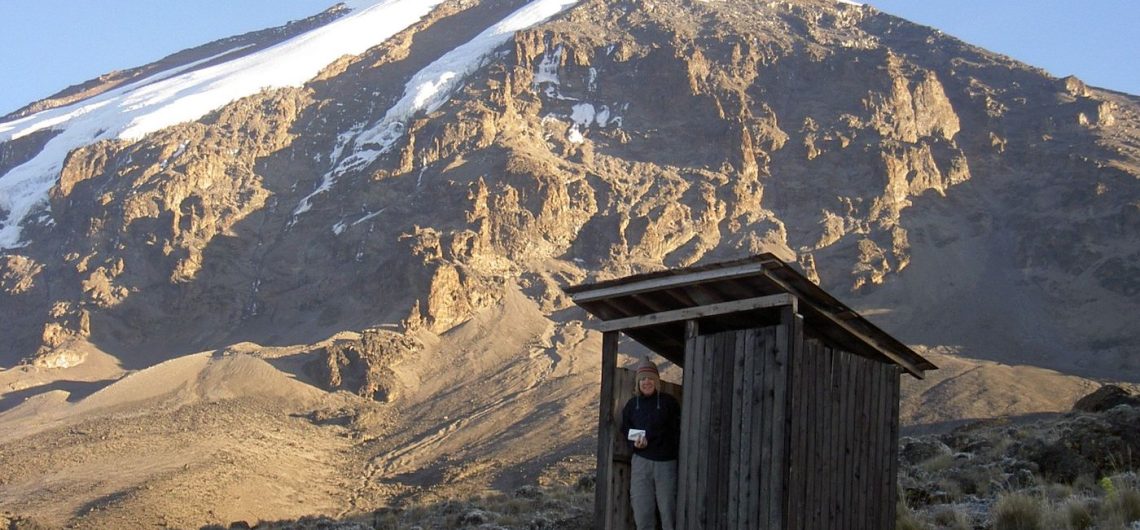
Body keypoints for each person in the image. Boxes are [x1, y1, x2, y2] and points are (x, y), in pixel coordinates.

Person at [620, 357, 681, 530]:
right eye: (643, 379)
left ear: (657, 381)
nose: (647, 382)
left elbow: (678, 431)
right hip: (640, 462)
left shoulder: (669, 403)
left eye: (650, 379)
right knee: (641, 509)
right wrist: (635, 445)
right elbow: (625, 429)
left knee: (669, 511)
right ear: (638, 383)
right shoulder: (632, 405)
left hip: (666, 464)